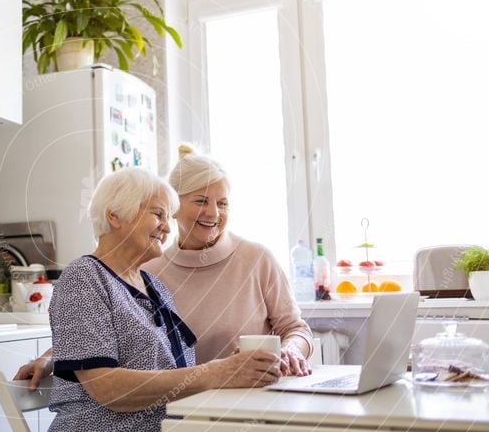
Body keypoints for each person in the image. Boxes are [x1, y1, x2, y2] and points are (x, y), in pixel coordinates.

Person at [16, 144, 313, 389]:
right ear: (175, 206)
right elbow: (105, 337)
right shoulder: (148, 271)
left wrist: (290, 351)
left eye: (223, 203)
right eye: (201, 201)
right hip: (191, 408)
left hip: (249, 400)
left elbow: (296, 329)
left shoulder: (256, 259)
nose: (213, 213)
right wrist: (54, 356)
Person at [44, 168, 281, 432]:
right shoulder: (83, 278)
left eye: (168, 217)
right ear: (115, 215)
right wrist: (216, 372)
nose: (167, 228)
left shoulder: (154, 286)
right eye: (158, 214)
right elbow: (106, 387)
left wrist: (233, 368)